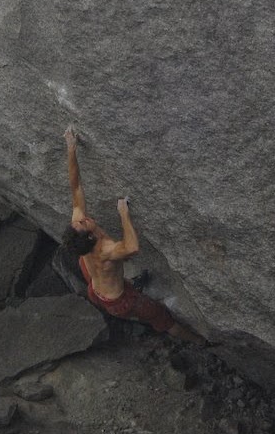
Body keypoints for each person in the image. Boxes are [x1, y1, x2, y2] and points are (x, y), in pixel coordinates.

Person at [61, 126, 205, 345]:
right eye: (83, 223)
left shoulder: (81, 235)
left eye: (80, 221)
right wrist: (123, 214)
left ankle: (124, 290)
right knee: (160, 317)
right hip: (119, 301)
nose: (82, 218)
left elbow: (76, 187)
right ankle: (199, 341)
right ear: (90, 238)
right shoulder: (105, 250)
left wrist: (71, 148)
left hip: (95, 289)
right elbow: (132, 247)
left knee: (96, 269)